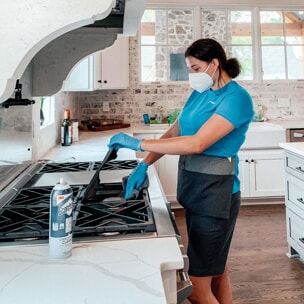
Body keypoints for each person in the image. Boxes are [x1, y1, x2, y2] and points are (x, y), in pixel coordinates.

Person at [108, 38, 254, 304]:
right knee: (217, 271)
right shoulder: (200, 93)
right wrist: (145, 162)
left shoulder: (237, 99)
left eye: (195, 68)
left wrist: (138, 143)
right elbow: (175, 131)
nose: (192, 75)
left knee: (197, 287)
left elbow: (197, 143)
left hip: (217, 197)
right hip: (194, 189)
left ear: (215, 64)